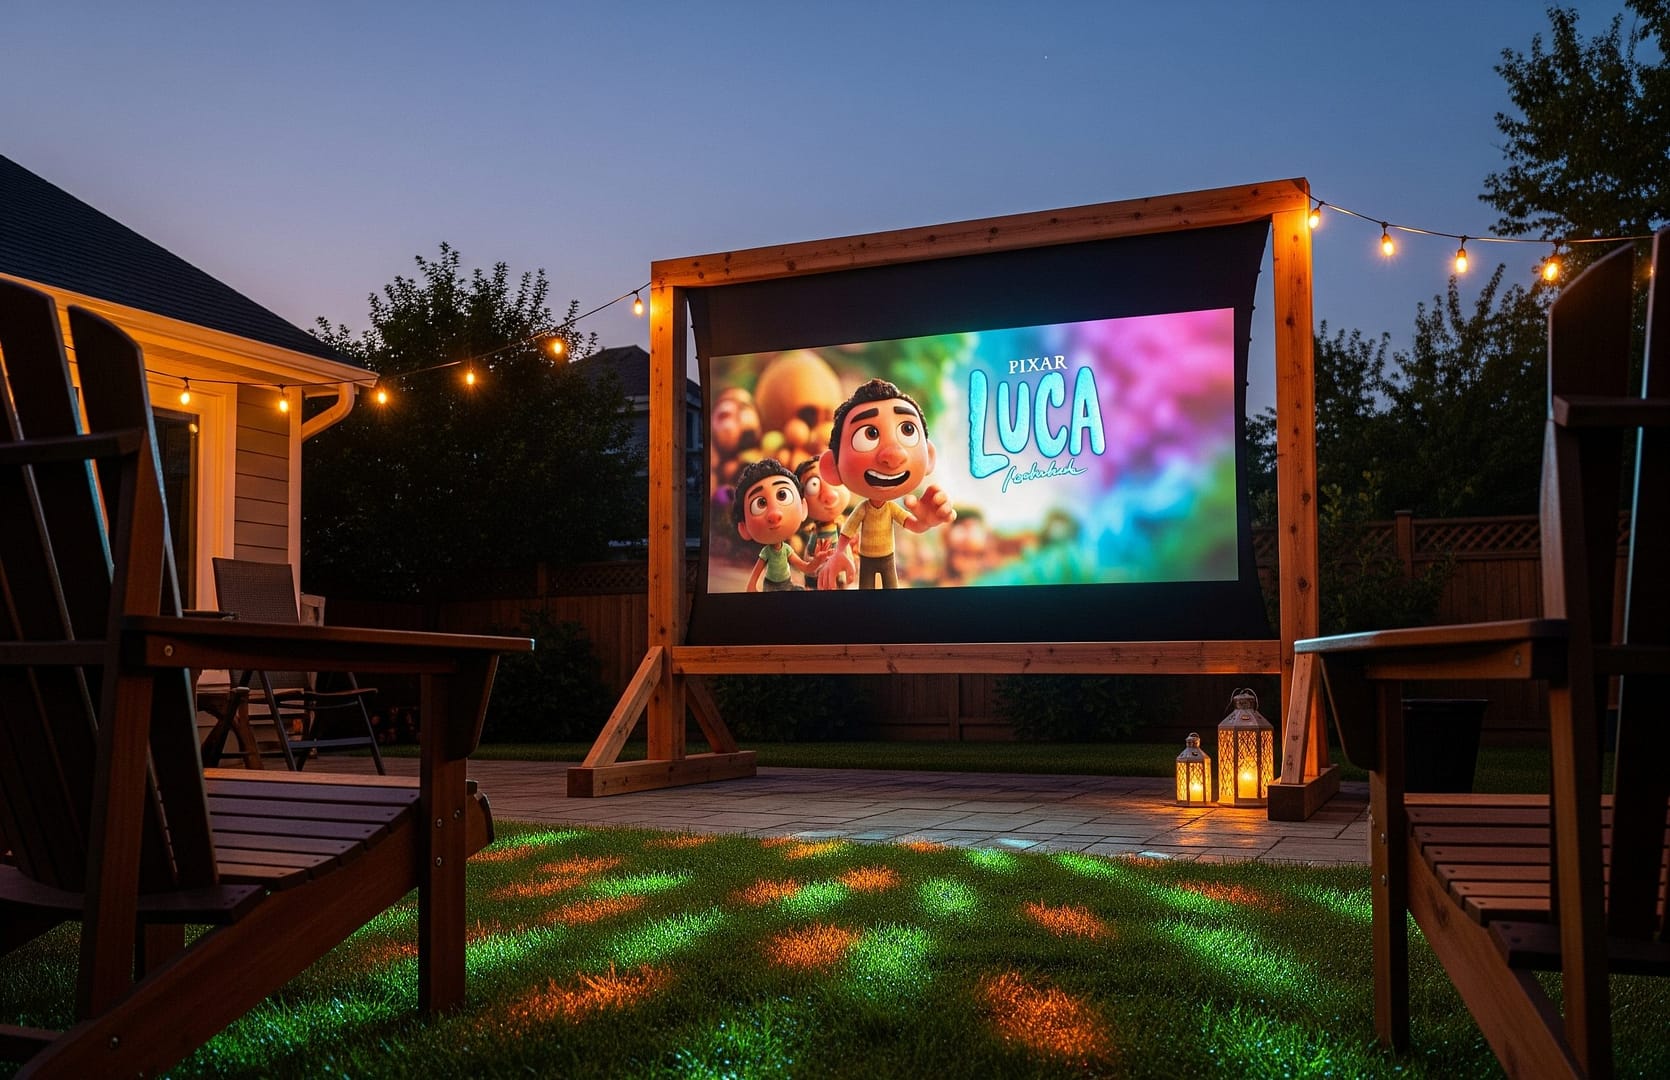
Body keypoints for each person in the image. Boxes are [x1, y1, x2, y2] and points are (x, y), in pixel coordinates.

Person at [816, 378, 955, 589]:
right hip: (868, 559)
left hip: (888, 558)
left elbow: (914, 525)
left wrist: (926, 522)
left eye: (907, 430)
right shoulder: (862, 510)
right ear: (832, 467)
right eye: (869, 434)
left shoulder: (891, 509)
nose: (893, 455)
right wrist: (839, 552)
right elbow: (847, 532)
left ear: (929, 456)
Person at [734, 458, 829, 592]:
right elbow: (754, 577)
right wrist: (751, 588)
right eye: (760, 503)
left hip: (787, 585)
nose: (774, 514)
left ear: (803, 508)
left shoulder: (787, 550)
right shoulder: (766, 552)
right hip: (770, 588)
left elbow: (806, 568)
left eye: (782, 495)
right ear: (744, 528)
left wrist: (817, 560)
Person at [794, 456, 850, 589]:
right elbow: (810, 551)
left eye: (832, 478)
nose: (829, 495)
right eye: (813, 485)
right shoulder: (813, 532)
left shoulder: (842, 526)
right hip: (819, 568)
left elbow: (845, 547)